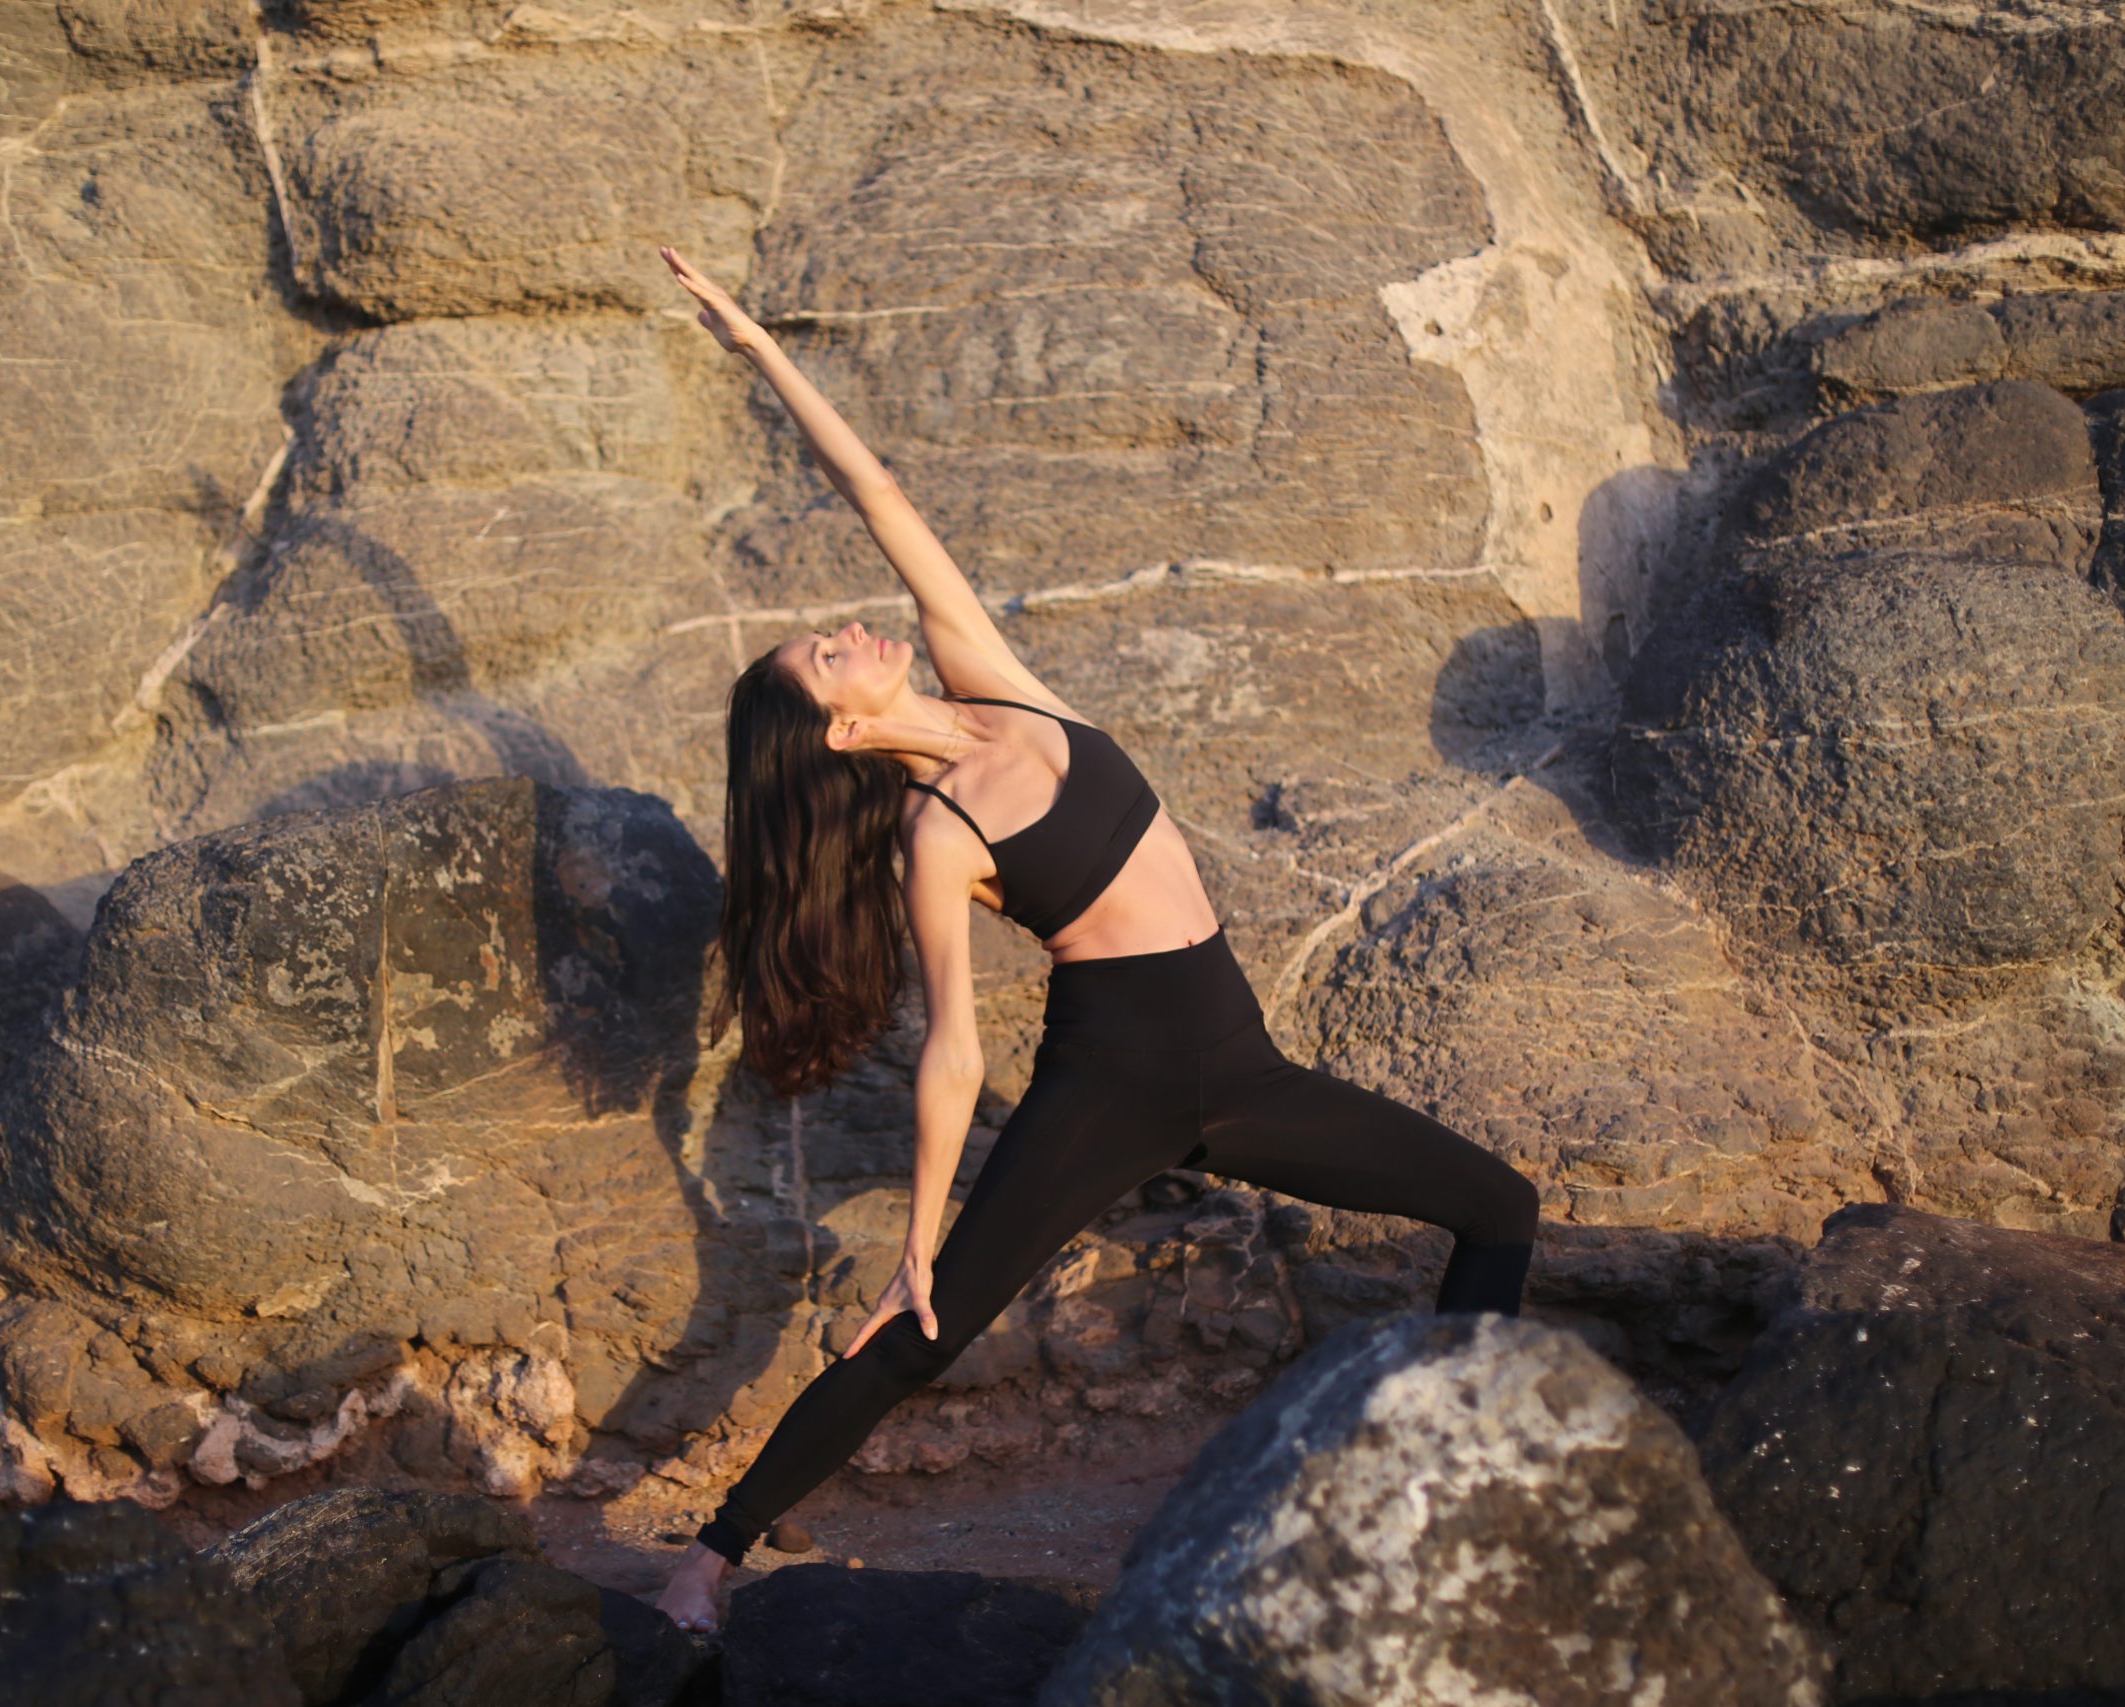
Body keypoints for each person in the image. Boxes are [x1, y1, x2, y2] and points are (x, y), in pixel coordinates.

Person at [647, 245, 1540, 1634]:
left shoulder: (995, 686)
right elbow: (954, 1049)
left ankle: (1449, 1477)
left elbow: (878, 493)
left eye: (832, 633)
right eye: (826, 657)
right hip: (1110, 1080)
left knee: (1499, 1206)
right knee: (922, 1337)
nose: (846, 631)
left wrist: (764, 353)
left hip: (1234, 1066)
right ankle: (708, 1561)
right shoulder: (936, 834)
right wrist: (917, 1244)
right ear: (836, 729)